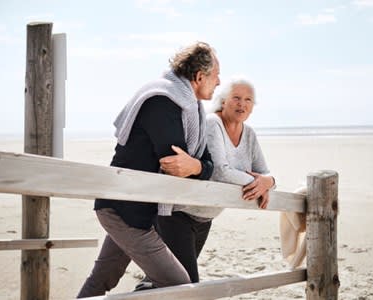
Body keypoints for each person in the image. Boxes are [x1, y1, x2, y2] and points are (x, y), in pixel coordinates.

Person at [77, 41, 220, 298]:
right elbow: (174, 164)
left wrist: (196, 165)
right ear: (199, 77)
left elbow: (208, 164)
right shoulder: (162, 101)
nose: (219, 82)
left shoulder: (194, 111)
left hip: (139, 211)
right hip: (122, 209)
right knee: (179, 284)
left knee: (102, 279)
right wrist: (197, 167)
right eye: (216, 76)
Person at [153, 76, 275, 284]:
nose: (242, 104)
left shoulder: (249, 134)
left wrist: (268, 182)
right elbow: (219, 172)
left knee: (166, 281)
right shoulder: (212, 123)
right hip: (179, 213)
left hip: (204, 219)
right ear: (223, 100)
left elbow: (264, 172)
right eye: (236, 97)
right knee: (186, 283)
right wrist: (257, 182)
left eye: (248, 100)